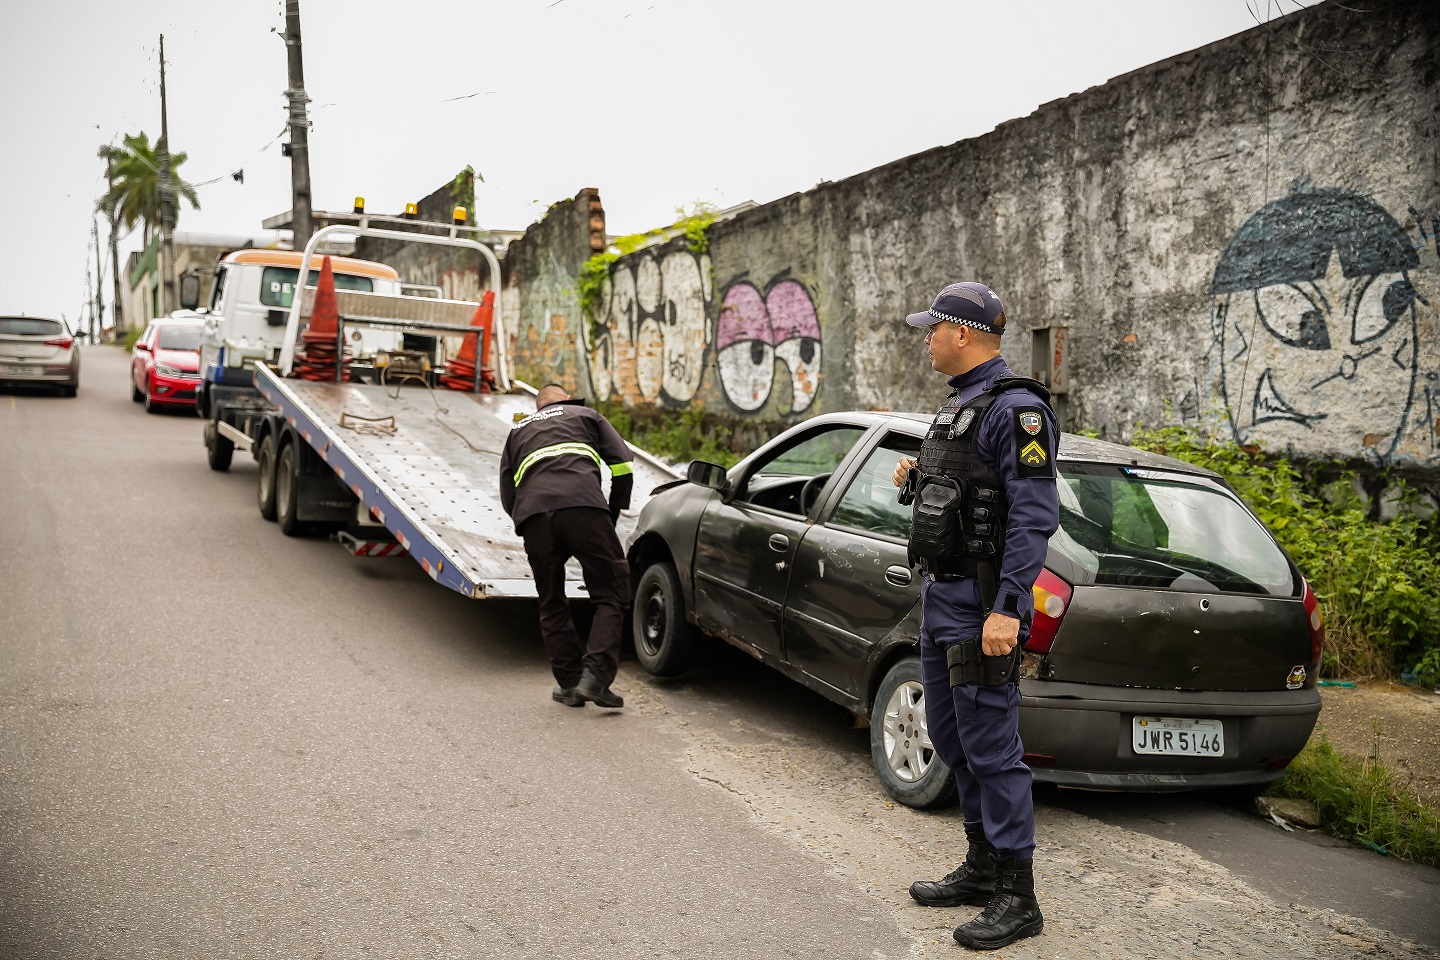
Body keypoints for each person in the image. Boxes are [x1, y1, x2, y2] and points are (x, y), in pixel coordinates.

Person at [890, 282, 1059, 951]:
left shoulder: (1017, 411)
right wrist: (917, 482)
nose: (926, 337)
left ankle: (1020, 898)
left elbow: (1032, 517)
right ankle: (983, 866)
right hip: (943, 600)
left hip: (982, 606)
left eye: (933, 328)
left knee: (993, 749)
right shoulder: (961, 406)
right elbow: (966, 498)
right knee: (954, 742)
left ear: (962, 333)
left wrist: (1008, 610)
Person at [499, 383, 635, 709]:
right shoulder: (585, 414)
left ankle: (570, 684)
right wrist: (611, 514)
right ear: (565, 399)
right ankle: (595, 678)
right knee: (610, 592)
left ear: (538, 407)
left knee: (551, 601)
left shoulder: (517, 432)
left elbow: (507, 492)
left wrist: (529, 520)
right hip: (584, 508)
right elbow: (623, 467)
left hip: (534, 518)